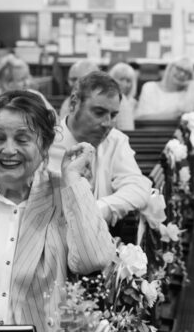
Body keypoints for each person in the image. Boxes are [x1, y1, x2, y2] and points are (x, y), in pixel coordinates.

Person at [0, 90, 116, 330]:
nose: (9, 149)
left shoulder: (62, 193)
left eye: (22, 139)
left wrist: (73, 179)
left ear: (45, 145)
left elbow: (93, 259)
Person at [48, 70, 151, 226]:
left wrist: (99, 208)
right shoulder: (46, 142)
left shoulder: (115, 140)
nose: (107, 123)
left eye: (113, 115)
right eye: (99, 112)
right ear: (74, 103)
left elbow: (138, 187)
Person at [109, 61, 138, 131]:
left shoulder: (135, 103)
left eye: (128, 81)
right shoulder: (118, 100)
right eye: (121, 79)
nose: (124, 84)